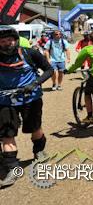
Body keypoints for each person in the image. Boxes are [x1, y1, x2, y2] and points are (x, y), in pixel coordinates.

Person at [0, 25, 53, 187]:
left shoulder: (29, 53)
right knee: (7, 133)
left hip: (31, 98)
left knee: (34, 128)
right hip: (5, 101)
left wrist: (35, 83)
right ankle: (13, 169)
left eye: (9, 40)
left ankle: (39, 151)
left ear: (15, 40)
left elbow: (48, 70)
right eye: (2, 41)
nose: (6, 43)